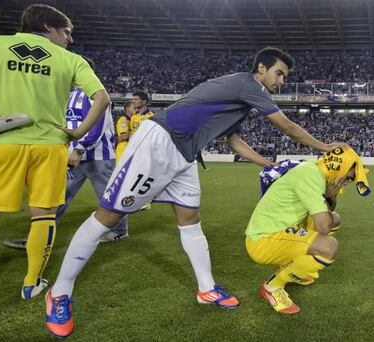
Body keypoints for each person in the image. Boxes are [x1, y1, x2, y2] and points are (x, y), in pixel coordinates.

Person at [45, 47, 348, 338]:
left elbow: (232, 139)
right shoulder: (247, 84)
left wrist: (265, 162)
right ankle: (59, 293)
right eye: (279, 73)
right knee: (108, 216)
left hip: (186, 153)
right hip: (161, 142)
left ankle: (206, 288)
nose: (282, 81)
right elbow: (287, 125)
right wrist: (326, 146)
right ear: (261, 68)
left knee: (190, 218)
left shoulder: (243, 97)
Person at [0, 3, 110, 309]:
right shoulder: (71, 59)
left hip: (3, 143)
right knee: (43, 214)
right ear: (48, 27)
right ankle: (31, 284)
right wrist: (78, 132)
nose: (69, 39)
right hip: (50, 146)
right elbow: (102, 98)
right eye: (66, 32)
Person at [2, 58, 128, 250]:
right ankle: (38, 235)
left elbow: (98, 127)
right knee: (59, 196)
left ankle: (120, 231)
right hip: (74, 158)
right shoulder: (72, 94)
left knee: (108, 196)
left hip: (97, 158)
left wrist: (79, 148)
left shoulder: (94, 92)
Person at [245, 147, 370, 314]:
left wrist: (330, 197)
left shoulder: (315, 169)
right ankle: (272, 286)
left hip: (280, 231)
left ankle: (295, 268)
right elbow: (323, 228)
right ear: (340, 166)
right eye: (349, 176)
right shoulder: (311, 176)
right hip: (262, 240)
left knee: (334, 219)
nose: (347, 181)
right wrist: (329, 196)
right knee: (328, 247)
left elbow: (329, 215)